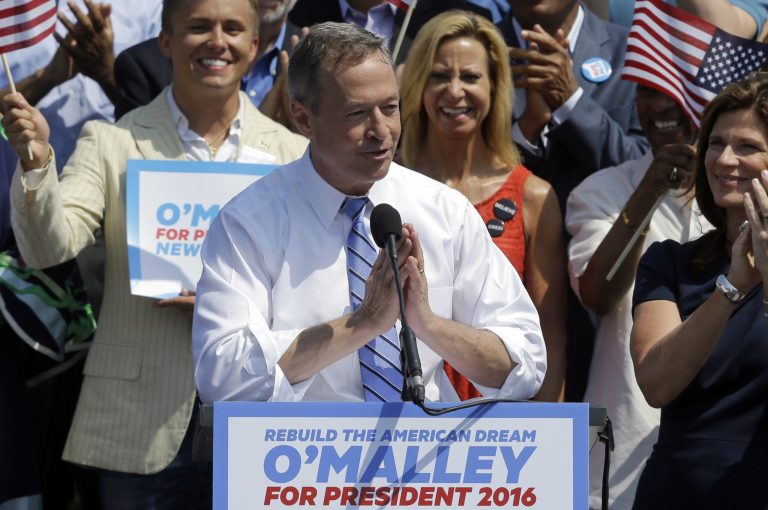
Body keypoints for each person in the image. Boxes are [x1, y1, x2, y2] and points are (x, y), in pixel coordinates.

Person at [2, 0, 307, 507]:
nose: (217, 41)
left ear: (254, 48)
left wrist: (229, 306)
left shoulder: (292, 154)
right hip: (139, 427)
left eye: (233, 29)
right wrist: (36, 165)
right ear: (165, 41)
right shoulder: (110, 140)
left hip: (259, 423)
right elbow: (47, 247)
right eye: (199, 27)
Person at [192, 22, 546, 404]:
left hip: (426, 458)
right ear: (303, 118)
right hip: (302, 458)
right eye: (357, 113)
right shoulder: (248, 223)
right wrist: (362, 324)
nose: (382, 130)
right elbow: (223, 375)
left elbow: (524, 365)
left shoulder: (445, 212)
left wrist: (427, 323)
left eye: (390, 108)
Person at [399, 11, 566, 402]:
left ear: (494, 89)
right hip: (404, 420)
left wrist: (550, 433)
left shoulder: (533, 196)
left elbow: (550, 337)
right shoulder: (388, 188)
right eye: (439, 76)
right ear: (418, 86)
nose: (454, 91)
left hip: (501, 434)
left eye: (471, 77)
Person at [566, 85, 712, 509]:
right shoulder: (600, 191)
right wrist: (648, 193)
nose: (662, 104)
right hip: (623, 452)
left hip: (727, 454)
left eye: (677, 88)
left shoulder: (745, 196)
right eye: (648, 91)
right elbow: (598, 294)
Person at [630, 73, 768, 509]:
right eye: (716, 143)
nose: (725, 159)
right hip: (676, 492)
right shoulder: (667, 261)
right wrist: (731, 288)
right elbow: (656, 383)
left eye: (747, 146)